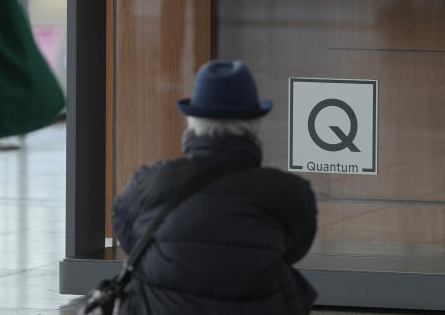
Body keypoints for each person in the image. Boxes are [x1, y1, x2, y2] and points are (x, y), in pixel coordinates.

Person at [111, 60, 318, 314]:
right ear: (253, 125)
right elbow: (295, 250)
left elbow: (128, 236)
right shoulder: (291, 193)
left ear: (192, 122)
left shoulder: (149, 182)